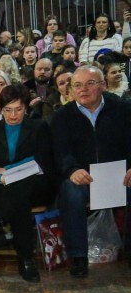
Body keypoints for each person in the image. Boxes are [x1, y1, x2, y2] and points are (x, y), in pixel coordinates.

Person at [49, 64, 131, 278]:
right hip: (85, 177)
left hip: (120, 176)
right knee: (70, 191)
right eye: (77, 85)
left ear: (103, 85)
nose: (83, 89)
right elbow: (60, 151)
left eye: (90, 83)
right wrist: (72, 170)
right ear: (70, 90)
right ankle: (78, 257)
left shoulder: (123, 110)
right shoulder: (61, 117)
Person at [0, 86, 56, 283]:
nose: (13, 115)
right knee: (19, 200)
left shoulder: (39, 127)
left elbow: (42, 160)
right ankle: (26, 260)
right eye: (8, 110)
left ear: (26, 108)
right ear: (0, 109)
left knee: (20, 186)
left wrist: (8, 171)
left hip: (35, 186)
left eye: (18, 109)